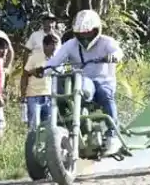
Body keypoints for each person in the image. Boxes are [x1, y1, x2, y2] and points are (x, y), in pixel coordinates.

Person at [41, 10, 124, 149]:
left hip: (103, 81)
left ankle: (113, 134)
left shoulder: (106, 42)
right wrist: (42, 71)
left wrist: (113, 57)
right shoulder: (70, 45)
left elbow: (118, 52)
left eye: (88, 32)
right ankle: (62, 129)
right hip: (81, 81)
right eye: (81, 33)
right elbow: (55, 61)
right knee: (62, 96)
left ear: (97, 30)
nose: (85, 37)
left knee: (104, 93)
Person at [21, 34, 59, 131]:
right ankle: (32, 145)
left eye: (55, 44)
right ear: (44, 45)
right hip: (34, 95)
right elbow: (25, 75)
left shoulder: (57, 59)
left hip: (49, 96)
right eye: (51, 45)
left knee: (48, 127)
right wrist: (23, 94)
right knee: (34, 126)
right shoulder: (34, 57)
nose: (54, 47)